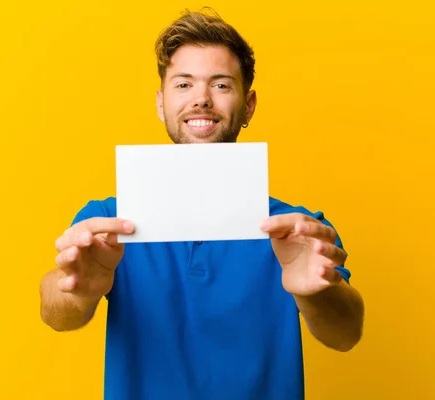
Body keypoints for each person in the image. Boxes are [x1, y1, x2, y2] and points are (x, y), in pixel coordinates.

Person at [39, 8, 364, 400]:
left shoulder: (296, 230)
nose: (201, 100)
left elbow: (347, 334)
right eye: (183, 85)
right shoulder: (108, 223)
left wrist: (316, 293)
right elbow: (54, 313)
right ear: (161, 104)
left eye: (222, 85)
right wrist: (79, 290)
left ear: (248, 106)